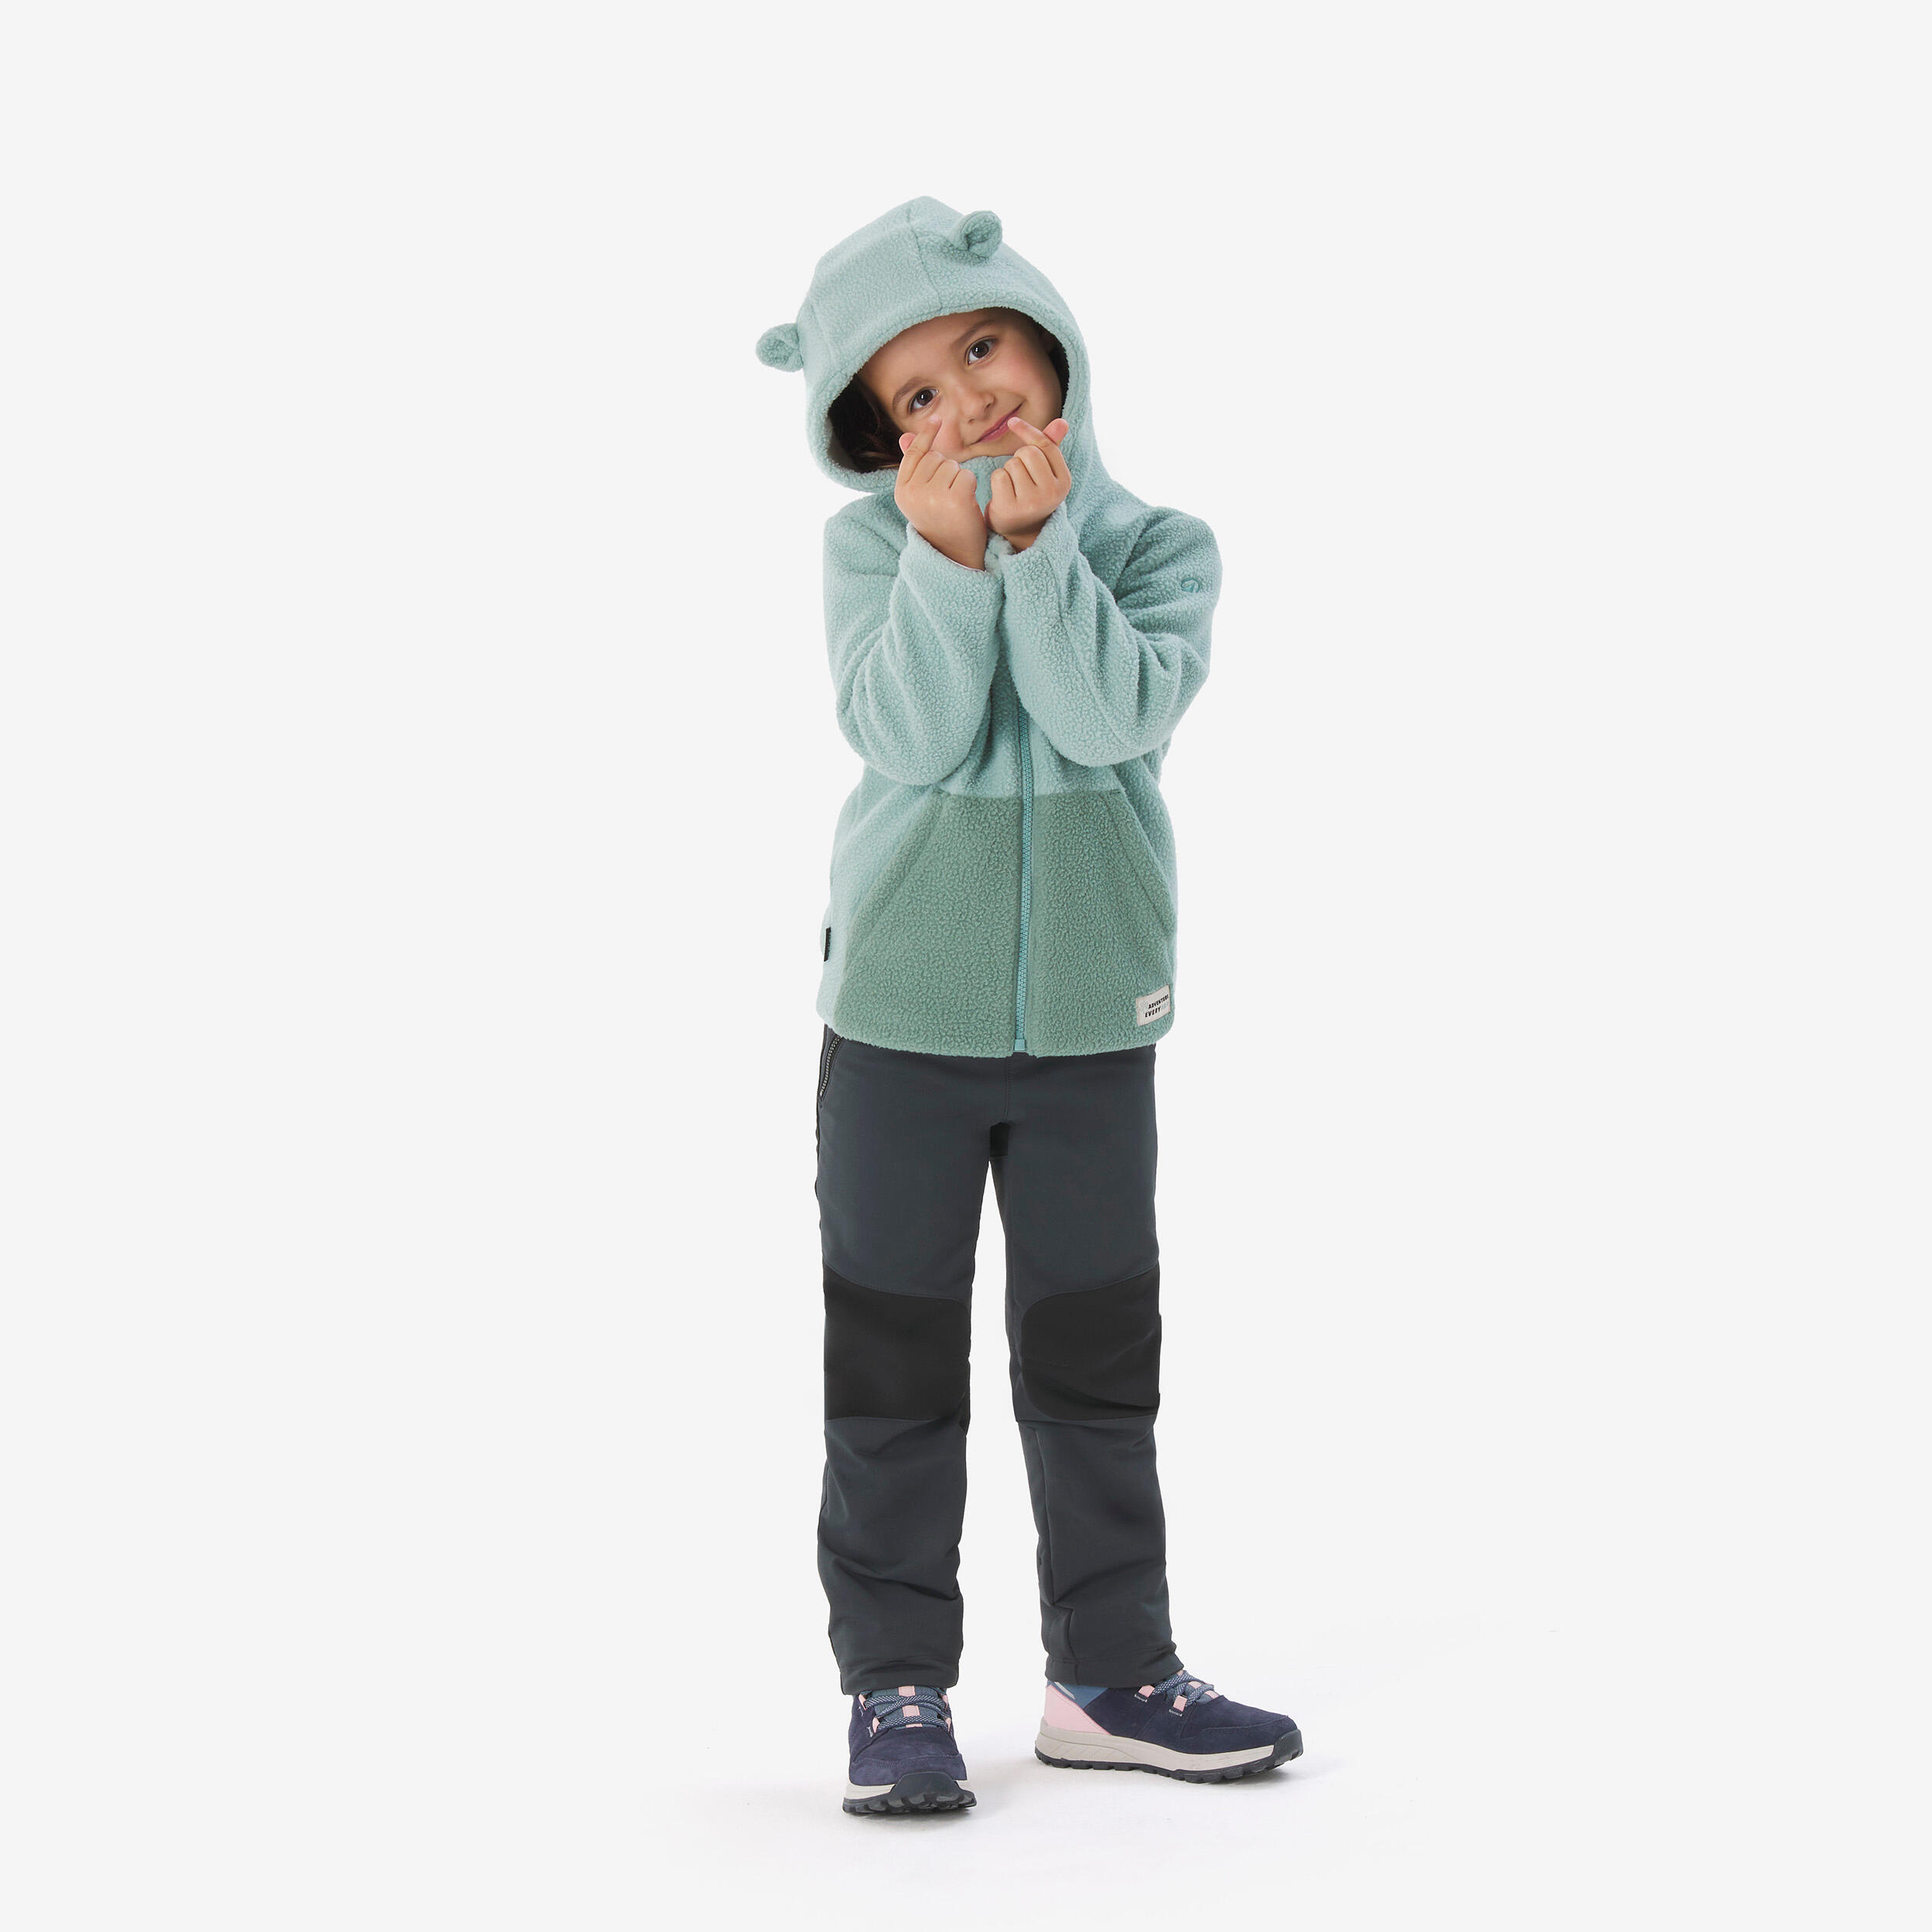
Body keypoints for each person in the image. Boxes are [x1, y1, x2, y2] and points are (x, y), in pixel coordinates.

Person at [757, 199, 1301, 1817]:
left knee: (1094, 1369)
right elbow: (911, 738)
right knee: (891, 1372)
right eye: (916, 395)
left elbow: (1104, 713)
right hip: (896, 1032)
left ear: (1049, 340)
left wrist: (1038, 551)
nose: (967, 399)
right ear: (880, 441)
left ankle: (1110, 1675)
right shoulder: (871, 551)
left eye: (982, 346)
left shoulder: (1156, 546)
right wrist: (947, 561)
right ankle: (895, 1686)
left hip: (1089, 1028)